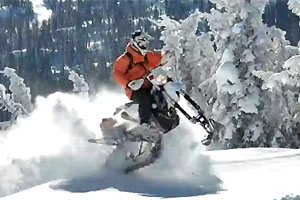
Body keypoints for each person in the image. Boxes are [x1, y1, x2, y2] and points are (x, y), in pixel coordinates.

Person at [113, 30, 166, 128]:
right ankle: (144, 124)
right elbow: (117, 74)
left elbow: (159, 59)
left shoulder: (146, 55)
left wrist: (168, 55)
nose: (144, 45)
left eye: (145, 43)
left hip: (150, 84)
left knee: (163, 91)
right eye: (141, 43)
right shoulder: (125, 59)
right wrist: (128, 83)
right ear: (135, 43)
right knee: (145, 99)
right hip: (135, 89)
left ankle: (165, 117)